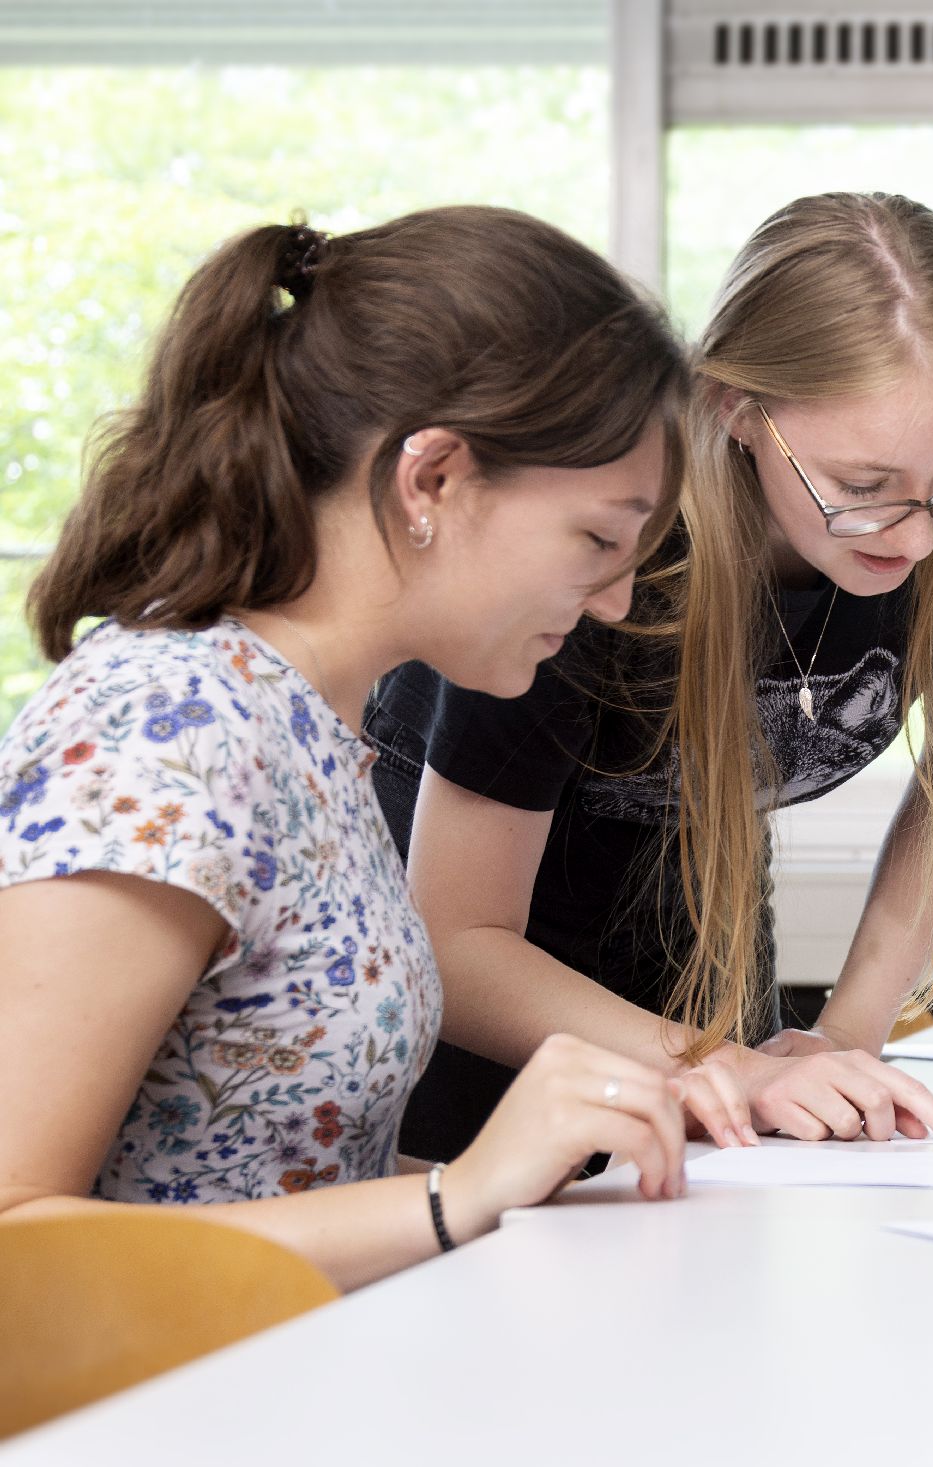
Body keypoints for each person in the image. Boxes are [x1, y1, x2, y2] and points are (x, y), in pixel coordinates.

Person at [0, 209, 722, 1289]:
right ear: (431, 478)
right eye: (596, 541)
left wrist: (542, 1193)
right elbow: (19, 1242)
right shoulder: (166, 729)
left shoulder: (320, 724)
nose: (616, 601)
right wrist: (459, 1196)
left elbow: (273, 1182)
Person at [366, 193, 933, 1159]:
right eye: (860, 489)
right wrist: (724, 1067)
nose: (920, 534)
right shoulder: (603, 544)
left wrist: (840, 1041)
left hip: (701, 952)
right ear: (737, 410)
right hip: (480, 1000)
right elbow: (455, 940)